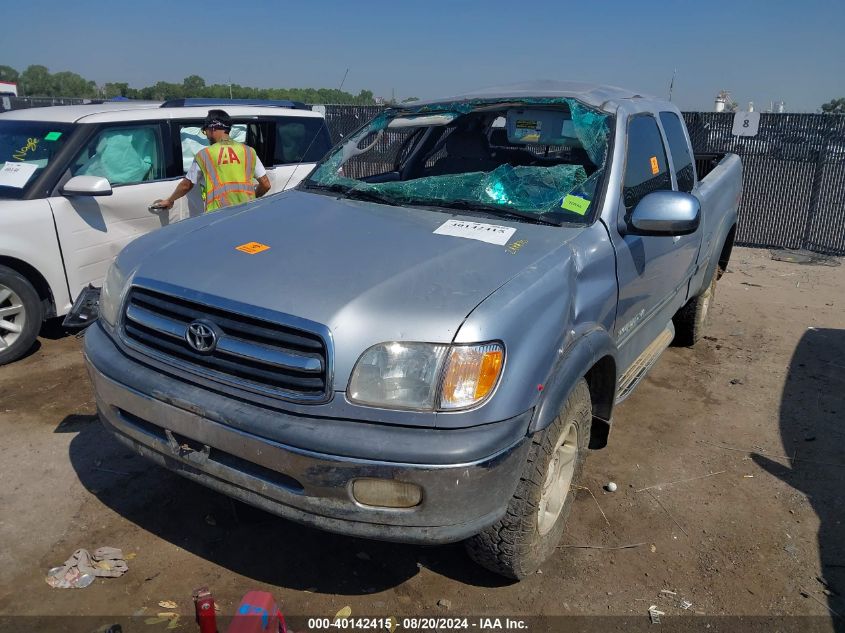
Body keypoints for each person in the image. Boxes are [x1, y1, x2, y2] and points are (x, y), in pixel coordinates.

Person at [153, 109, 271, 213]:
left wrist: (169, 200)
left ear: (213, 128)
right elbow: (265, 185)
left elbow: (186, 185)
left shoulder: (205, 155)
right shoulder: (249, 151)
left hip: (218, 215)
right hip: (245, 211)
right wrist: (250, 197)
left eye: (206, 131)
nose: (207, 135)